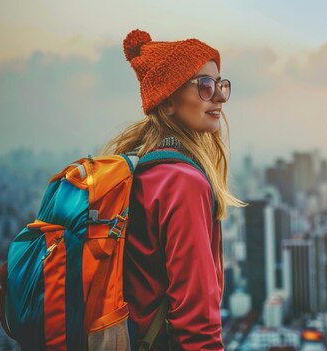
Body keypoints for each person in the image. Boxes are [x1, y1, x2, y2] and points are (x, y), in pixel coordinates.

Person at [99, 29, 247, 350]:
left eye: (221, 85)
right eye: (205, 86)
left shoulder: (145, 167)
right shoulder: (183, 182)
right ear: (166, 103)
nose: (219, 96)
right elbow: (197, 322)